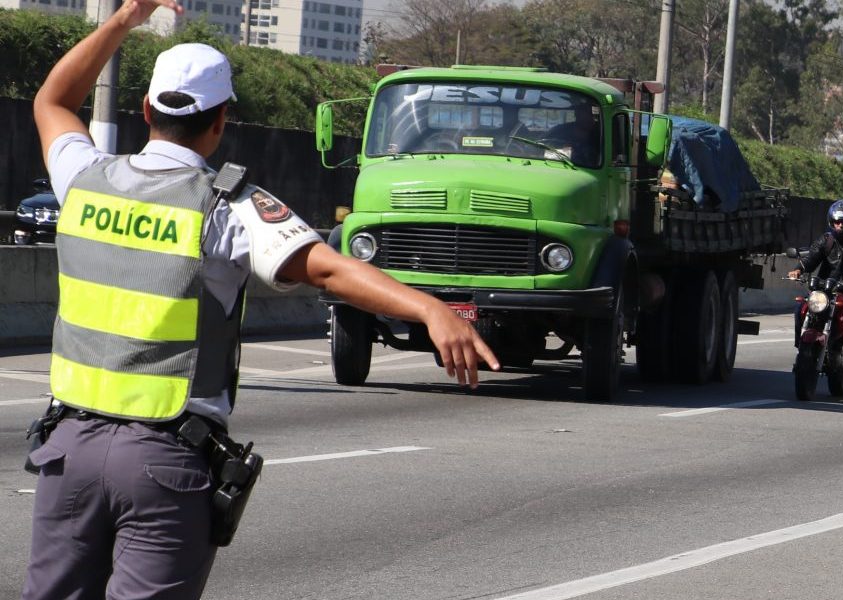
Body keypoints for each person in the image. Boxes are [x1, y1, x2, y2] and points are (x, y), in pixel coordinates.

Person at [24, 7, 500, 598]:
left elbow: (53, 100)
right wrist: (430, 309)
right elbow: (327, 268)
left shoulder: (83, 179)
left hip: (67, 452)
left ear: (145, 111)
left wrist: (127, 17)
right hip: (164, 459)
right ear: (222, 120)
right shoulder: (226, 207)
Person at [788, 199, 843, 403]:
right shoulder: (826, 241)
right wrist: (799, 270)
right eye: (837, 222)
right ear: (831, 222)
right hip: (825, 290)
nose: (840, 226)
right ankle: (802, 350)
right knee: (799, 308)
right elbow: (811, 258)